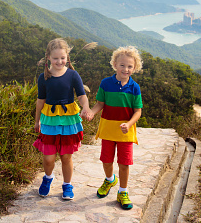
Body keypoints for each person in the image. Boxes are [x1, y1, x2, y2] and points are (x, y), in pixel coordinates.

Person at [83, 46, 143, 210]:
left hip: (126, 133)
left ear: (134, 68)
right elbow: (100, 104)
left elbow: (138, 112)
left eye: (130, 66)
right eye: (122, 65)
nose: (126, 69)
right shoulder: (106, 83)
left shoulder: (134, 87)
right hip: (108, 130)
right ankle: (110, 179)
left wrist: (129, 124)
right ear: (115, 64)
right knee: (106, 160)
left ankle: (122, 192)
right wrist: (92, 113)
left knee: (124, 164)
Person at [33, 38, 91, 200]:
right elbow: (40, 101)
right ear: (48, 58)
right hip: (49, 120)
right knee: (48, 157)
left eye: (63, 58)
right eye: (56, 58)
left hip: (69, 120)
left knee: (66, 156)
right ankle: (48, 178)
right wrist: (37, 121)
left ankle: (67, 185)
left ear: (67, 58)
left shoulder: (72, 74)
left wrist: (85, 108)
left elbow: (81, 95)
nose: (59, 61)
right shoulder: (43, 77)